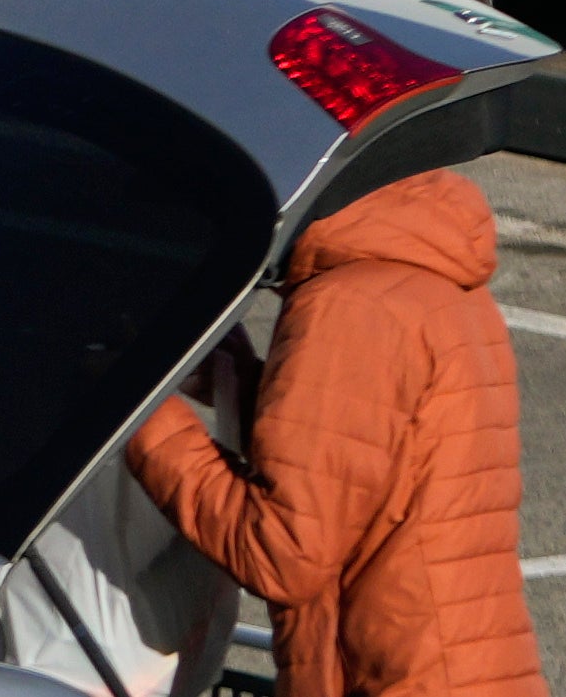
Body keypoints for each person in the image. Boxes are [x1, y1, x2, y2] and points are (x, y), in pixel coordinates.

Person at [116, 165, 540, 697]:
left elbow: (283, 554)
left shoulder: (348, 306)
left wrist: (143, 415)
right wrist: (245, 386)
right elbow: (357, 467)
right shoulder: (433, 283)